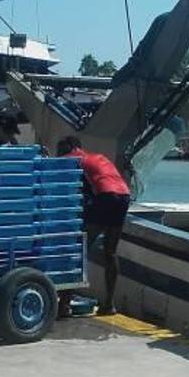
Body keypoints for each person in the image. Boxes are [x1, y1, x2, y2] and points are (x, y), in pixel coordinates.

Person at [56, 135, 130, 316]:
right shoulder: (97, 157)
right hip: (124, 196)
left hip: (105, 196)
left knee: (78, 250)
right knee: (110, 252)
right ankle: (109, 304)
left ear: (68, 149)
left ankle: (63, 305)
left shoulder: (73, 158)